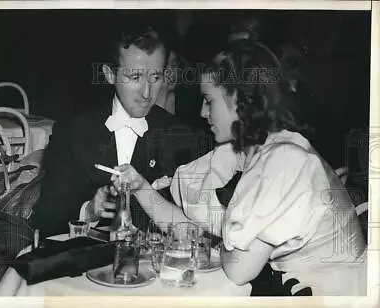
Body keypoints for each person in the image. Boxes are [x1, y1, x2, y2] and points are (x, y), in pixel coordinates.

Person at [111, 39, 367, 296]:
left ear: (237, 98)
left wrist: (217, 241)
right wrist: (140, 186)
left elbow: (239, 270)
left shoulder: (285, 160)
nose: (202, 112)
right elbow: (192, 227)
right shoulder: (252, 151)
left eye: (209, 101)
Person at [31, 16, 208, 237]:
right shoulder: (73, 132)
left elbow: (195, 230)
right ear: (109, 74)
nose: (147, 93)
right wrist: (89, 210)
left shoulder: (182, 136)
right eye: (135, 77)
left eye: (155, 76)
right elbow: (45, 219)